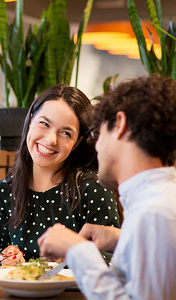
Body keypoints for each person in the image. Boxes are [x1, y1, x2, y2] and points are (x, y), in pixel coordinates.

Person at [38, 74, 176, 299]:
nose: (97, 146)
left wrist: (78, 251)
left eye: (97, 133)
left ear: (120, 124)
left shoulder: (155, 212)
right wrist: (120, 237)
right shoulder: (156, 204)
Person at [0, 84, 121, 265]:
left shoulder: (93, 188)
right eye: (44, 124)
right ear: (31, 120)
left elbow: (115, 261)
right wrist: (10, 256)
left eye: (65, 133)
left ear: (77, 142)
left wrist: (74, 256)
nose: (51, 140)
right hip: (21, 292)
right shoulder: (5, 190)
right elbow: (3, 257)